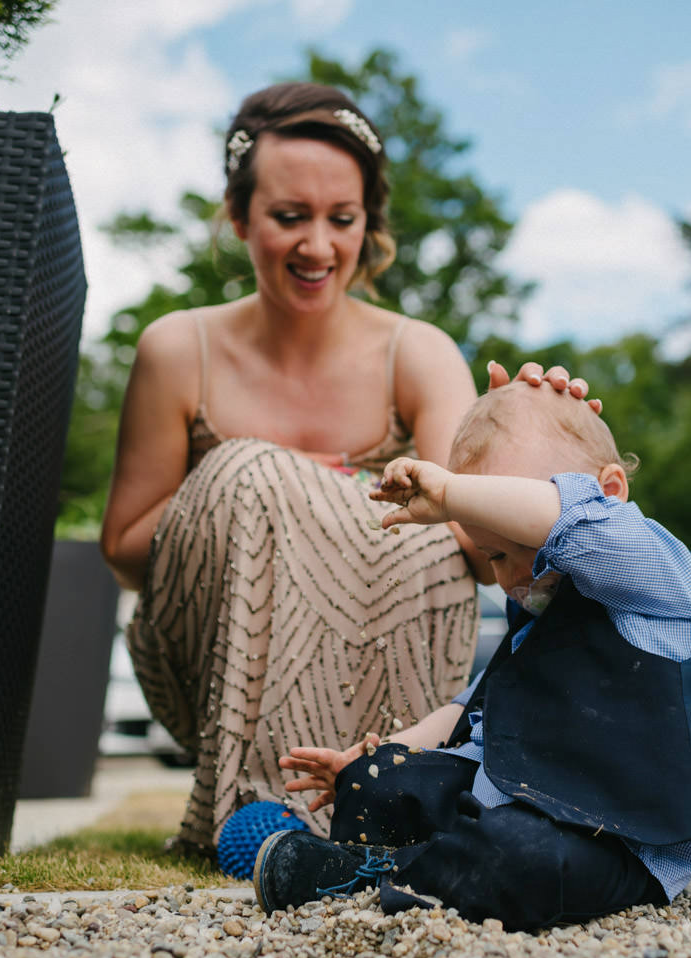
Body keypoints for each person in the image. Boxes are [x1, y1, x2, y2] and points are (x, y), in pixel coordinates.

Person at [99, 79, 596, 855]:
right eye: (288, 217)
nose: (318, 246)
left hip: (380, 661)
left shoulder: (418, 352)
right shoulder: (177, 349)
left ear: (370, 223)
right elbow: (127, 549)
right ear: (239, 216)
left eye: (342, 218)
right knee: (253, 475)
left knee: (425, 526)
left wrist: (542, 437)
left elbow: (478, 550)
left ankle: (383, 790)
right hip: (215, 664)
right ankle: (257, 808)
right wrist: (269, 487)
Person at [254, 383, 691, 931]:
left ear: (611, 492)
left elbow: (571, 520)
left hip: (617, 835)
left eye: (519, 543)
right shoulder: (537, 620)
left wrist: (453, 492)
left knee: (517, 853)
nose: (511, 574)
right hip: (510, 803)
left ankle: (384, 874)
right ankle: (390, 866)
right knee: (377, 780)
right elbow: (469, 710)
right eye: (494, 555)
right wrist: (379, 756)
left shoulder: (653, 571)